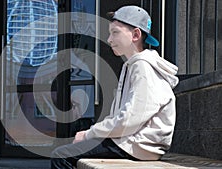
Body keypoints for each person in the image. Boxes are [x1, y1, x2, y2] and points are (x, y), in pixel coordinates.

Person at [51, 5, 179, 169]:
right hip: (130, 142)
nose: (109, 39)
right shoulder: (132, 65)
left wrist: (90, 133)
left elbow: (130, 119)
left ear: (135, 34)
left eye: (115, 32)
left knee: (61, 155)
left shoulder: (143, 67)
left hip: (136, 145)